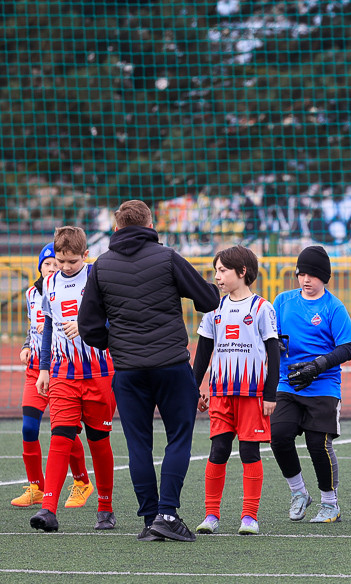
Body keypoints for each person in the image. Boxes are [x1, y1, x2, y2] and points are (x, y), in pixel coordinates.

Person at [78, 200, 219, 542]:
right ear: (150, 225)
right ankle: (167, 514)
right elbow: (208, 300)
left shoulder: (101, 265)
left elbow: (88, 326)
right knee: (179, 437)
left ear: (116, 228)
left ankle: (149, 519)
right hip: (171, 364)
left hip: (128, 371)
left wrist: (116, 343)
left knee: (138, 445)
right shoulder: (167, 257)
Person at [30, 227, 117, 533]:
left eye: (72, 261)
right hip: (63, 373)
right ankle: (48, 509)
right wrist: (44, 369)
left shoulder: (98, 277)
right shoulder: (49, 283)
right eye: (61, 261)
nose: (66, 267)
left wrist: (87, 326)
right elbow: (48, 327)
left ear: (85, 255)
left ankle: (105, 507)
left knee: (98, 441)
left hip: (99, 372)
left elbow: (117, 318)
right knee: (60, 437)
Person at [192, 246, 279, 536]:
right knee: (218, 449)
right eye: (216, 271)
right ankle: (211, 515)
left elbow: (273, 353)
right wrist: (194, 388)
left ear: (242, 272)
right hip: (220, 393)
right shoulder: (213, 308)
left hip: (253, 394)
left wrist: (270, 394)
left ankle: (249, 517)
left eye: (222, 270)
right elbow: (203, 353)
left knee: (248, 451)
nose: (217, 276)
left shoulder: (262, 308)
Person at [271, 245, 351, 523]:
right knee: (279, 436)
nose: (306, 279)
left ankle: (330, 504)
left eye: (312, 275)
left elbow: (348, 347)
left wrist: (317, 365)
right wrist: (274, 346)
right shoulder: (283, 301)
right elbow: (270, 336)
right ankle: (298, 492)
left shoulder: (334, 307)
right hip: (288, 384)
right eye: (301, 274)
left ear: (324, 277)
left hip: (323, 386)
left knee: (317, 444)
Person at [13, 243, 92, 509]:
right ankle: (36, 487)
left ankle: (81, 481)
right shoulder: (32, 293)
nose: (52, 268)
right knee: (28, 427)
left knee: (63, 430)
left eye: (54, 264)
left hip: (62, 368)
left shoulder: (68, 287)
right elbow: (34, 326)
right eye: (46, 264)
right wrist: (27, 345)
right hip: (35, 370)